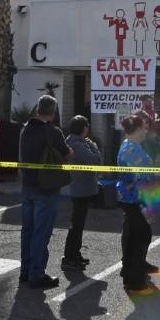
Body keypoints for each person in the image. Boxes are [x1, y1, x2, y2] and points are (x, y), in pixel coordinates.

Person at [18, 95, 71, 289]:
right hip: (46, 188)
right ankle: (37, 274)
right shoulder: (53, 131)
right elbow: (67, 153)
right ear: (53, 111)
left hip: (27, 186)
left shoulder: (25, 129)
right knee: (41, 233)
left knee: (28, 231)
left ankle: (25, 270)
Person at [115, 112, 157, 293]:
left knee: (137, 236)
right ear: (138, 129)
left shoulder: (130, 145)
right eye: (144, 129)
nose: (146, 132)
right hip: (134, 198)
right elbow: (142, 176)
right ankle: (135, 282)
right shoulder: (131, 149)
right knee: (140, 237)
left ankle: (132, 274)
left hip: (133, 197)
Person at [63, 115, 101, 271]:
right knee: (76, 225)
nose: (88, 129)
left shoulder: (78, 142)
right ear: (82, 128)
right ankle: (70, 256)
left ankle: (75, 253)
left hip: (81, 188)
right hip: (80, 189)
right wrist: (94, 146)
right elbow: (95, 160)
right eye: (87, 126)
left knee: (78, 223)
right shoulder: (78, 144)